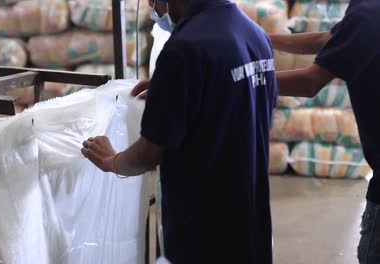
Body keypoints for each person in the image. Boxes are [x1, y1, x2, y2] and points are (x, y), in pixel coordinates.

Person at [81, 0, 277, 263]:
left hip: (203, 239)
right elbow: (248, 108)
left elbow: (148, 154)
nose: (153, 8)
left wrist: (111, 161)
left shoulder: (184, 49)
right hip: (250, 231)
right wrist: (171, 88)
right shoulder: (254, 35)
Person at [268, 1, 380, 263]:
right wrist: (264, 38)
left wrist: (244, 77)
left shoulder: (367, 13)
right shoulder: (367, 9)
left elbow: (310, 82)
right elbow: (327, 39)